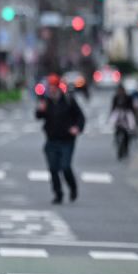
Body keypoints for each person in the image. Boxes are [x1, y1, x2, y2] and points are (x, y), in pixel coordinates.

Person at [36, 76, 85, 204]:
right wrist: (40, 109)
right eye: (50, 87)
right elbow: (39, 116)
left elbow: (80, 117)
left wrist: (77, 128)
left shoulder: (68, 100)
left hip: (67, 140)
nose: (51, 90)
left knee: (65, 166)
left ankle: (73, 187)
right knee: (53, 168)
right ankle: (58, 193)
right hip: (51, 140)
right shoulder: (46, 101)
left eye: (53, 87)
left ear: (58, 88)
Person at [109, 86, 138, 160]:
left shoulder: (128, 97)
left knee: (130, 126)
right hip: (118, 114)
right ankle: (116, 140)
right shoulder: (116, 97)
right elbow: (113, 107)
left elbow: (131, 108)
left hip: (126, 114)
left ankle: (126, 147)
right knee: (114, 124)